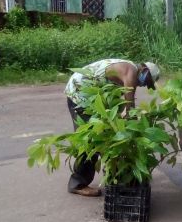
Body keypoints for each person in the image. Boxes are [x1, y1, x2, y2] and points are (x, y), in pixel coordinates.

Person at [64, 58, 160, 197]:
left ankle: (115, 172)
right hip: (80, 94)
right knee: (92, 140)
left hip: (88, 94)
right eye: (147, 81)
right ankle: (78, 184)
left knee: (106, 132)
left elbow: (119, 105)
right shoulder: (131, 72)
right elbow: (129, 109)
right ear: (144, 70)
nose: (144, 85)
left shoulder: (128, 69)